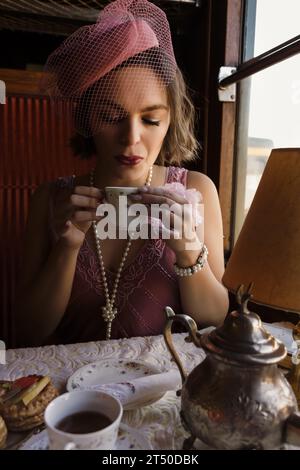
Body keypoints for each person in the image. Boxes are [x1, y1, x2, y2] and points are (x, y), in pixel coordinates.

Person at [15, 0, 229, 347]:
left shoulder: (196, 190)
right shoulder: (51, 199)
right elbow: (28, 331)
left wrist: (189, 254)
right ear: (86, 121)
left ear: (170, 120)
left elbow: (214, 322)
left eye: (150, 120)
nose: (131, 138)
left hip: (163, 390)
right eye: (112, 117)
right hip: (78, 396)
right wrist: (67, 248)